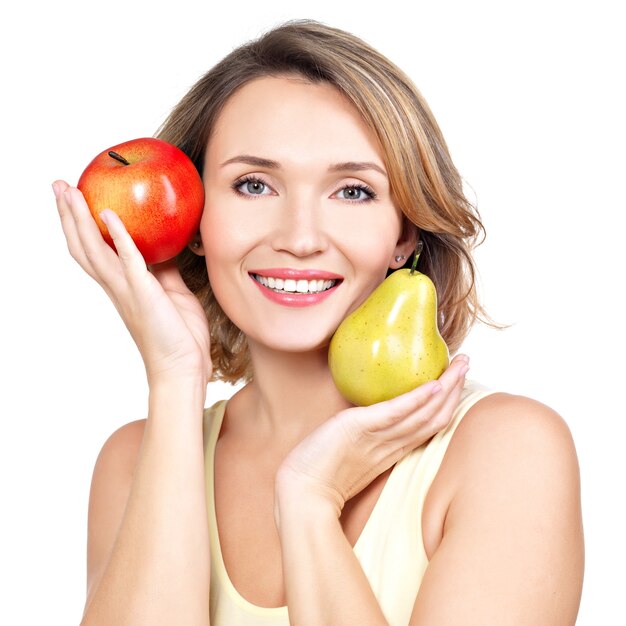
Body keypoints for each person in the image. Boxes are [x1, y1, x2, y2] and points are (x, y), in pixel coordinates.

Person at [52, 19, 584, 626]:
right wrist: (174, 379)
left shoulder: (507, 450)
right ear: (195, 219)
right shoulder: (133, 461)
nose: (300, 239)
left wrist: (309, 501)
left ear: (402, 233)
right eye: (254, 185)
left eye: (353, 191)